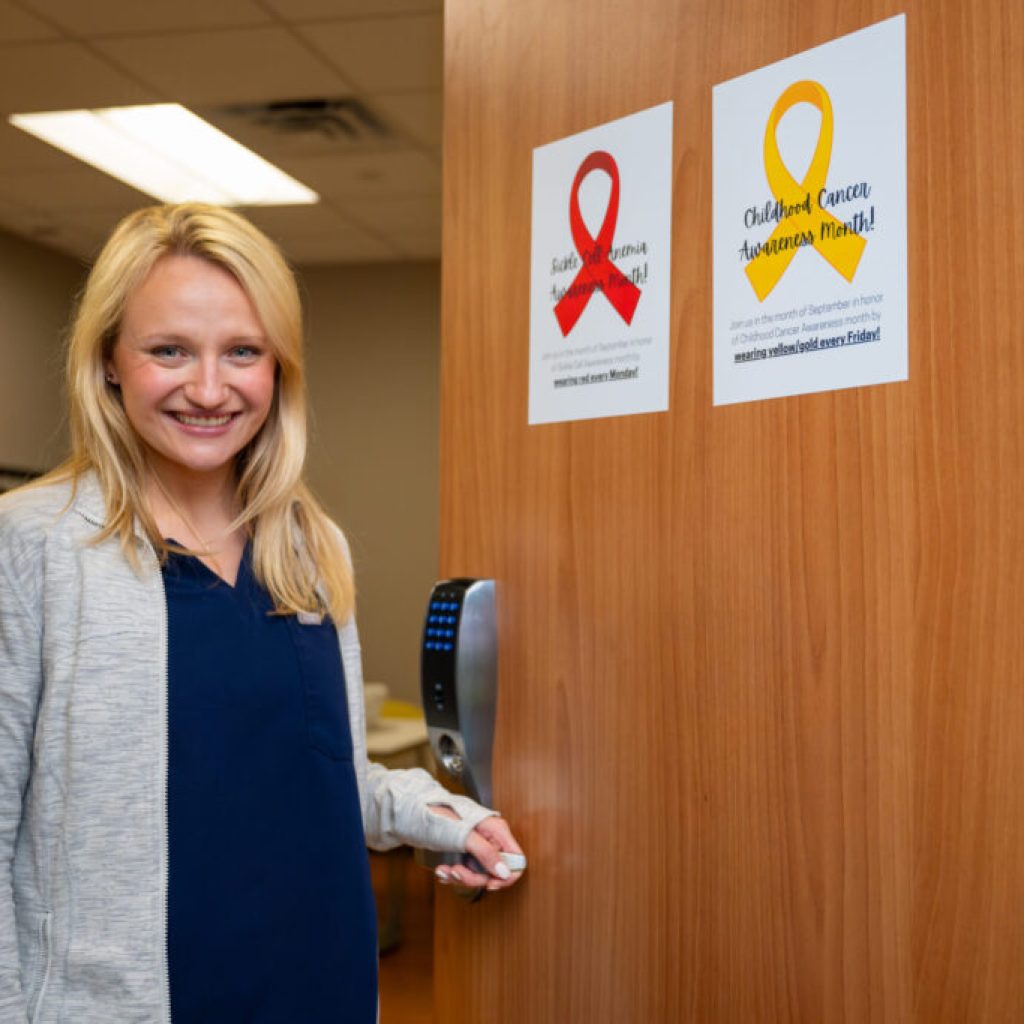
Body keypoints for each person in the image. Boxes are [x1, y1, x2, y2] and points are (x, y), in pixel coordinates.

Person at [0, 203, 525, 1023]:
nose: (208, 390)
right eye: (168, 350)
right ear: (108, 359)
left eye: (242, 352)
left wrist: (446, 819)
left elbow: (322, 779)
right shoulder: (34, 545)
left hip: (322, 986)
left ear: (278, 367)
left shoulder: (312, 550)